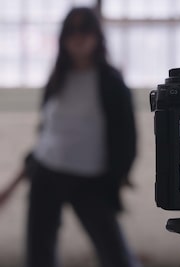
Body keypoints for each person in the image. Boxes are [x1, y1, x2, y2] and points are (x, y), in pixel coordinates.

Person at [23, 7, 140, 267]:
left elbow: (127, 138)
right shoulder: (57, 77)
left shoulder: (111, 81)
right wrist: (33, 162)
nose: (78, 38)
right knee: (39, 254)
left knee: (115, 255)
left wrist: (116, 177)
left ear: (97, 36)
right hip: (47, 173)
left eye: (85, 30)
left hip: (91, 180)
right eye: (71, 31)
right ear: (63, 37)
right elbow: (47, 128)